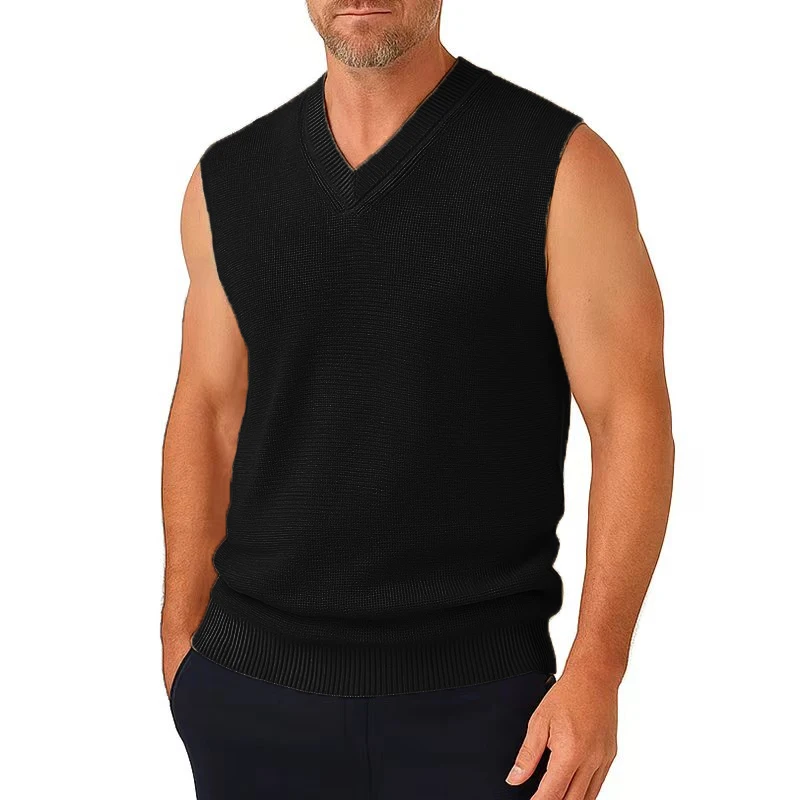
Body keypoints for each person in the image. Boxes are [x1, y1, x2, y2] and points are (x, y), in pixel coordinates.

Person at [160, 2, 675, 798]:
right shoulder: (228, 180)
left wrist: (598, 669)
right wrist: (181, 638)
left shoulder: (563, 167)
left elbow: (629, 421)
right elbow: (207, 407)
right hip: (249, 691)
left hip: (488, 711)